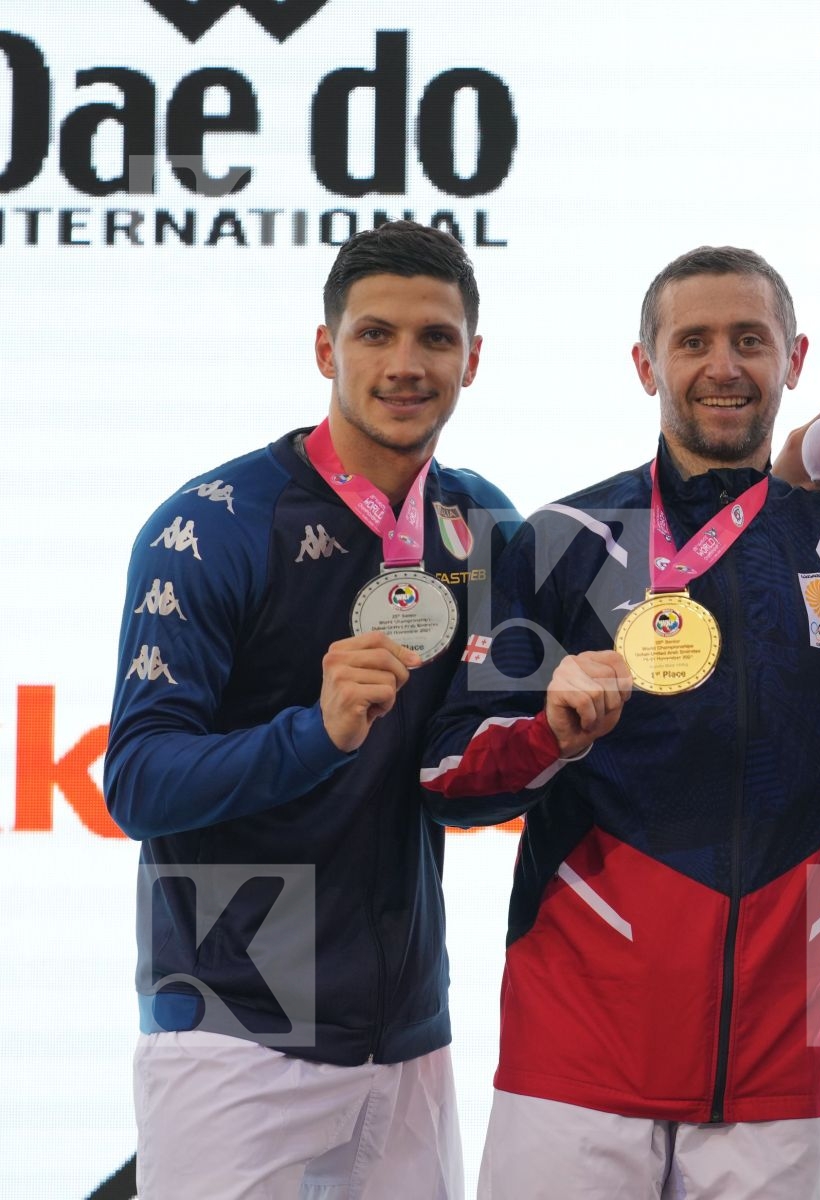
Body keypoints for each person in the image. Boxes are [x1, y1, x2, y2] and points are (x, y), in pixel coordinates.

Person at [419, 246, 820, 1198]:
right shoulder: (561, 542)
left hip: (775, 1069)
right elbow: (448, 778)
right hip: (577, 1066)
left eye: (750, 340)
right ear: (645, 364)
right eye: (694, 340)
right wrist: (552, 732)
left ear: (794, 358)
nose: (723, 365)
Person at [106, 219, 511, 1197]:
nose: (405, 364)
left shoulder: (483, 523)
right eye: (375, 334)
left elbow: (459, 778)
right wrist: (315, 734)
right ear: (326, 348)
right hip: (233, 1033)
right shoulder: (211, 525)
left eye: (435, 338)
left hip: (407, 1036)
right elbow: (138, 782)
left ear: (474, 358)